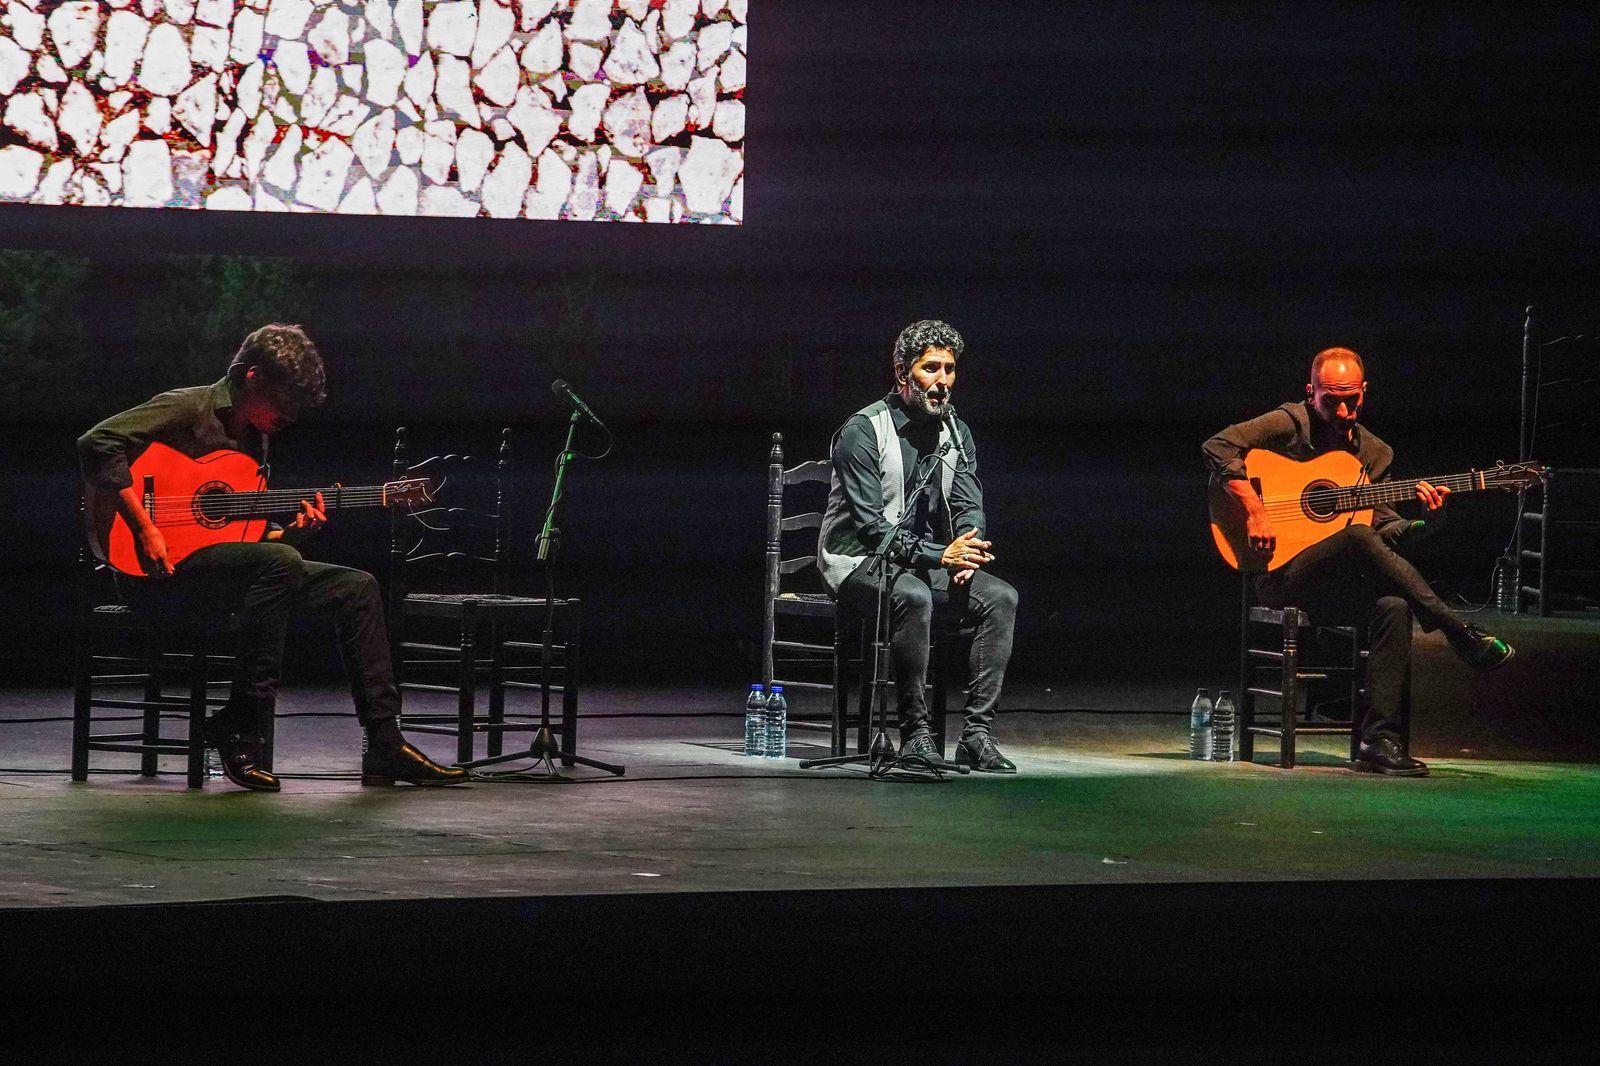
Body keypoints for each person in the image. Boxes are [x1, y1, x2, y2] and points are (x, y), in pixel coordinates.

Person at [77, 324, 468, 791]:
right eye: (285, 399)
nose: (292, 414)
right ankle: (242, 725)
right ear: (252, 377)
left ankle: (384, 744)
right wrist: (144, 528)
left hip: (217, 574)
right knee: (278, 560)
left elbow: (243, 537)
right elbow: (96, 441)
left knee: (356, 586)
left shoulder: (255, 441)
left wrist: (293, 534)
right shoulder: (189, 406)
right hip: (153, 575)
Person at [1202, 346, 1515, 777]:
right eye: (1331, 400)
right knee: (1356, 534)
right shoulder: (1289, 423)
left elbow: (1387, 533)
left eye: (1352, 398)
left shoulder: (1375, 452)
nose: (1344, 409)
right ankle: (1456, 628)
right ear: (1310, 392)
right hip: (1282, 575)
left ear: (1364, 392)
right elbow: (1217, 446)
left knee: (1394, 605)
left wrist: (1430, 523)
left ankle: (1378, 741)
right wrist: (1255, 509)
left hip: (1336, 583)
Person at [818, 319, 1019, 772]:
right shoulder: (863, 431)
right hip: (856, 560)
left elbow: (969, 498)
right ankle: (915, 734)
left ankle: (977, 736)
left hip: (925, 559)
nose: (943, 380)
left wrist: (967, 546)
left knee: (1002, 597)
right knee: (914, 595)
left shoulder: (956, 431)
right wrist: (939, 556)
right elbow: (870, 528)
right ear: (902, 372)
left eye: (949, 369)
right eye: (931, 368)